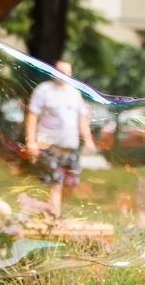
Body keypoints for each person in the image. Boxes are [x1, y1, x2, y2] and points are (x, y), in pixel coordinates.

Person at [23, 60, 95, 217]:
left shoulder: (74, 93)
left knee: (71, 183)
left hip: (70, 145)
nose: (63, 75)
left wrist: (88, 140)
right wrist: (31, 141)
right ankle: (54, 219)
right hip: (49, 145)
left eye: (66, 72)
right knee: (55, 182)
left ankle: (48, 209)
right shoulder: (43, 90)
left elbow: (81, 119)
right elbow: (32, 116)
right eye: (60, 71)